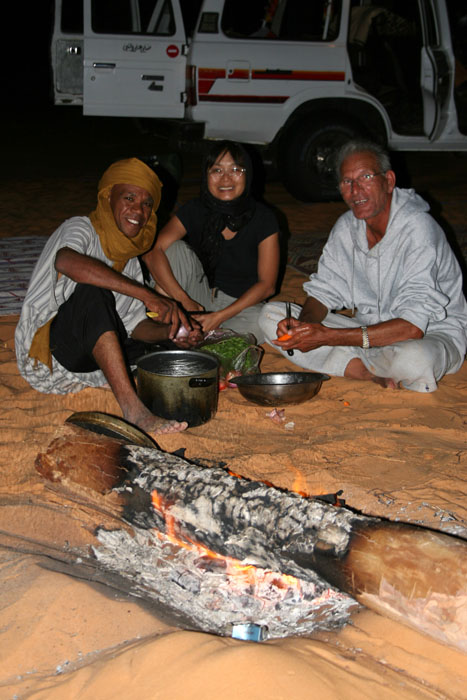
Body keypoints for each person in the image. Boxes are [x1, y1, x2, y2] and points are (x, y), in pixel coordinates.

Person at [259, 140, 467, 392]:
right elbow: (324, 292)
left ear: (389, 181)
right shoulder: (347, 227)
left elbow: (412, 327)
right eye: (347, 182)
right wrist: (303, 327)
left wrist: (328, 337)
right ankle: (367, 372)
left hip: (430, 334)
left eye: (365, 176)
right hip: (366, 334)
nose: (355, 189)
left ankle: (358, 362)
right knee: (270, 316)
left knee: (415, 359)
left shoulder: (418, 229)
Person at [15, 157, 201, 435]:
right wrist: (148, 295)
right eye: (129, 197)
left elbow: (135, 326)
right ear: (108, 197)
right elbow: (67, 262)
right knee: (91, 292)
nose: (138, 209)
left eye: (147, 203)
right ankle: (134, 410)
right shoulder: (80, 228)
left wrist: (170, 332)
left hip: (88, 353)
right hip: (51, 352)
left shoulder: (129, 258)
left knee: (162, 348)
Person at [142, 140, 280, 344]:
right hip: (197, 295)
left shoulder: (263, 218)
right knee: (173, 248)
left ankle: (187, 334)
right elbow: (153, 251)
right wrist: (183, 300)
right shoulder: (195, 209)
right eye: (217, 170)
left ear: (247, 174)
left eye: (235, 169)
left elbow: (267, 286)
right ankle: (182, 327)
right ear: (206, 176)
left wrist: (218, 317)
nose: (226, 178)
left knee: (264, 321)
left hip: (240, 306)